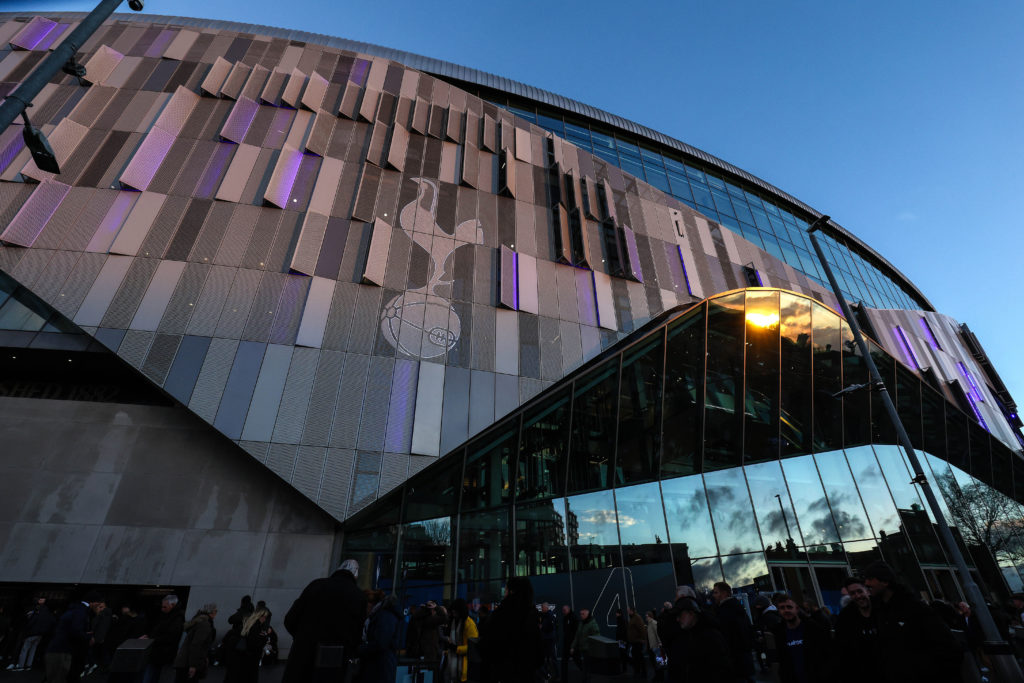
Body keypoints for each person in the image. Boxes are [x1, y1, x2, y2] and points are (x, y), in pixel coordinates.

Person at [862, 561, 963, 683]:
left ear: (885, 581)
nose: (866, 583)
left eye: (871, 579)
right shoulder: (879, 610)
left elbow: (947, 646)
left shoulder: (914, 608)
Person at [282, 559, 367, 683]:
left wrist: (302, 638)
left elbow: (290, 619)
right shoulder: (358, 596)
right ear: (355, 574)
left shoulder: (315, 585)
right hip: (334, 660)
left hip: (302, 654)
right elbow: (357, 634)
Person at [479, 578, 544, 683]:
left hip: (503, 675)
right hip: (526, 675)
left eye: (505, 590)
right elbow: (539, 655)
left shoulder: (499, 615)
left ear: (511, 592)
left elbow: (487, 648)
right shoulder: (532, 616)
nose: (504, 594)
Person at [662, 597, 733, 682]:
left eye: (680, 615)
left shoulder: (711, 636)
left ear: (691, 613)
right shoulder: (683, 636)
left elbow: (722, 669)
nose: (677, 619)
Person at [769, 594, 832, 683]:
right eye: (782, 608)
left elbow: (826, 654)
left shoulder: (813, 628)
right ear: (779, 611)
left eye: (789, 607)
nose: (786, 610)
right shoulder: (780, 633)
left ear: (797, 609)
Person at [46, 591, 104, 683]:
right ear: (94, 602)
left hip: (59, 649)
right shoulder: (81, 612)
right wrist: (88, 637)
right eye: (99, 605)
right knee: (58, 677)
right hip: (63, 651)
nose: (100, 608)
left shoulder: (76, 610)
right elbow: (76, 631)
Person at [834, 577, 879, 683]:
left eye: (859, 591)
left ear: (867, 591)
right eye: (853, 593)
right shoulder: (845, 619)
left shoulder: (882, 610)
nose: (858, 596)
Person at [711, 581, 755, 682]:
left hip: (735, 662)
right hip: (744, 661)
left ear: (725, 593)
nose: (713, 596)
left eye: (716, 592)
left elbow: (728, 636)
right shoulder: (736, 607)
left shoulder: (725, 611)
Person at [141, 594, 186, 683]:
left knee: (152, 675)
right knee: (152, 674)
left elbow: (170, 636)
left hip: (162, 652)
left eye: (165, 607)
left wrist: (151, 638)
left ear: (172, 605)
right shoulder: (170, 616)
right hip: (159, 651)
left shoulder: (176, 618)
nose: (162, 609)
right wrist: (149, 636)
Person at [360, 594, 402, 683]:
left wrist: (361, 649)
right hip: (382, 665)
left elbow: (381, 643)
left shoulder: (385, 615)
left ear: (372, 604)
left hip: (380, 666)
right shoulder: (384, 615)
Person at [224, 607, 271, 683]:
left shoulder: (248, 623)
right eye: (264, 617)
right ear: (260, 616)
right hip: (250, 659)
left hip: (240, 657)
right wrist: (265, 637)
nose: (265, 619)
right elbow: (255, 645)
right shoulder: (256, 627)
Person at [173, 603, 217, 683]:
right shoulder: (205, 624)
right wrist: (193, 665)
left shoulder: (198, 621)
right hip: (188, 663)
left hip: (184, 661)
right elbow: (197, 645)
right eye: (216, 611)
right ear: (212, 612)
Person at [9, 597, 54, 672]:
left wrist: (27, 630)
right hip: (40, 634)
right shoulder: (47, 612)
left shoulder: (36, 611)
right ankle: (28, 665)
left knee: (25, 649)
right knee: (33, 650)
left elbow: (32, 622)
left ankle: (20, 666)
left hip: (32, 632)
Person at [442, 598, 478, 683]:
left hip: (464, 669)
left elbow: (473, 647)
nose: (453, 613)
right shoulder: (454, 621)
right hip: (454, 665)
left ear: (460, 611)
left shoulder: (469, 624)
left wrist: (456, 648)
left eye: (455, 611)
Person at [569, 608, 599, 683]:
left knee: (587, 669)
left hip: (589, 650)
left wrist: (594, 649)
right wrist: (572, 647)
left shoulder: (592, 624)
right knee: (585, 668)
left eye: (583, 614)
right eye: (580, 614)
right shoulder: (581, 623)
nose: (581, 615)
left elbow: (597, 637)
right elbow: (577, 636)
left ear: (587, 614)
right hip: (583, 649)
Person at [538, 602, 557, 680]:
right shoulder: (543, 615)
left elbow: (546, 627)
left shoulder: (550, 615)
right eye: (541, 607)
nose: (542, 609)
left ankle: (554, 675)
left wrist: (542, 626)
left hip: (549, 640)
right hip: (545, 640)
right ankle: (548, 675)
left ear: (547, 607)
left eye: (543, 607)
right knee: (546, 659)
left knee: (552, 658)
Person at [626, 607, 646, 679]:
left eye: (628, 611)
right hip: (634, 642)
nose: (627, 612)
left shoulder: (637, 618)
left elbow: (642, 629)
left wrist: (643, 639)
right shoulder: (632, 618)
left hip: (638, 641)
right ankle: (637, 671)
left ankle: (643, 672)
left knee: (639, 657)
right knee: (636, 657)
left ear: (632, 611)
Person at [559, 604, 577, 683]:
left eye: (564, 610)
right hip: (566, 644)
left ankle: (586, 676)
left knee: (578, 661)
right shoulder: (565, 618)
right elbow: (565, 631)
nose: (563, 611)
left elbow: (576, 632)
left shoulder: (573, 617)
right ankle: (564, 679)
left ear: (569, 609)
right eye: (563, 610)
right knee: (564, 662)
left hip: (573, 644)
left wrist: (573, 645)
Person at [645, 610, 663, 681]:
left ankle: (660, 676)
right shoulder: (649, 624)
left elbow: (657, 633)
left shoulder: (653, 623)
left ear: (650, 616)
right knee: (655, 662)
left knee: (658, 662)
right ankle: (658, 675)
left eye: (647, 616)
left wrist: (660, 643)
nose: (646, 617)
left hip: (656, 646)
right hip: (652, 646)